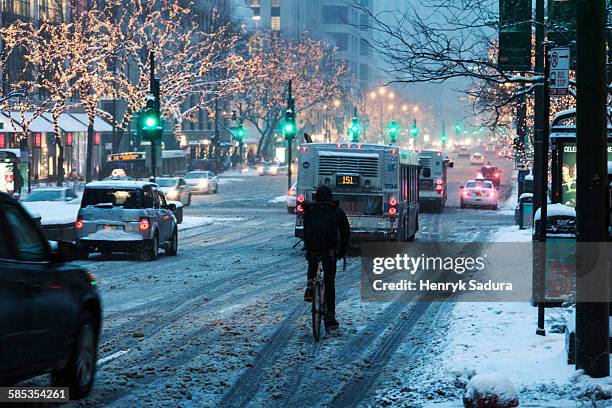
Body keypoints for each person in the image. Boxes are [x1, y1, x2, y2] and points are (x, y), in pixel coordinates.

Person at [302, 186, 350, 330]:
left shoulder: (308, 210)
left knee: (312, 258)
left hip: (312, 248)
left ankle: (310, 284)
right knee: (329, 281)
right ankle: (330, 316)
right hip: (329, 251)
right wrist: (341, 251)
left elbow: (306, 231)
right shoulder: (336, 211)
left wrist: (307, 247)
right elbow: (345, 232)